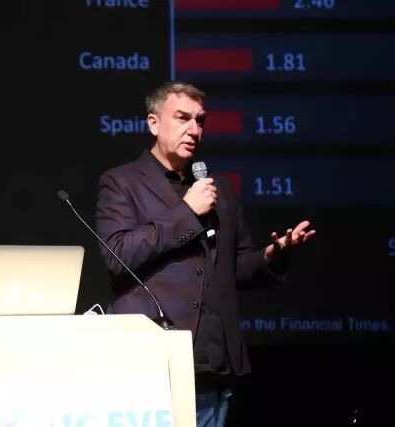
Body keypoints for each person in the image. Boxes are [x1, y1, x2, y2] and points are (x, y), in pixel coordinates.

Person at [95, 81, 315, 427]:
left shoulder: (217, 188)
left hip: (214, 367)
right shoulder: (122, 182)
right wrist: (187, 212)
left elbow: (235, 267)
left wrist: (272, 256)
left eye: (200, 121)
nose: (194, 130)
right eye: (182, 118)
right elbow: (118, 255)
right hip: (154, 368)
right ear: (154, 123)